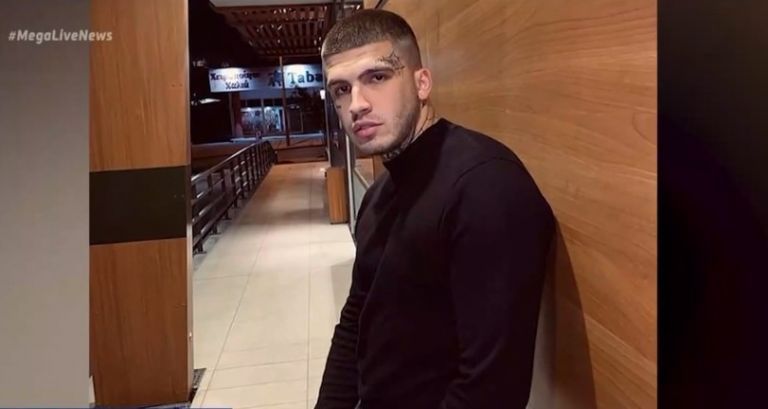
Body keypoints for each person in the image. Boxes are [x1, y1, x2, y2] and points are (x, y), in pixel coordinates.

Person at [316, 9, 556, 409]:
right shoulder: (379, 194)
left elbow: (491, 388)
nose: (356, 104)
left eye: (377, 77)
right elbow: (355, 323)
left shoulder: (485, 188)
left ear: (421, 82)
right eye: (341, 89)